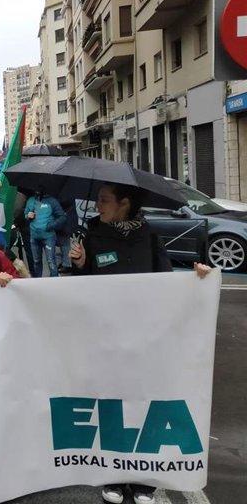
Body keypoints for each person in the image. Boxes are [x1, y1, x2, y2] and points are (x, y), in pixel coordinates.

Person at [70, 183, 212, 504]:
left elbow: (166, 282)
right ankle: (116, 476)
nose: (98, 205)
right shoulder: (90, 235)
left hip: (146, 338)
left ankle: (144, 479)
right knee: (113, 405)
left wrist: (197, 279)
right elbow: (80, 291)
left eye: (104, 201)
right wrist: (79, 265)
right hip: (107, 337)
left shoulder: (149, 236)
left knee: (145, 402)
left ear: (124, 203)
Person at [25, 186, 66, 277]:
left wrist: (51, 225)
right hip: (34, 237)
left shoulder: (52, 201)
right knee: (36, 261)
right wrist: (28, 216)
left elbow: (62, 217)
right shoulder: (30, 200)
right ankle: (37, 282)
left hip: (49, 237)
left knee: (51, 261)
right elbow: (25, 214)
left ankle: (54, 283)